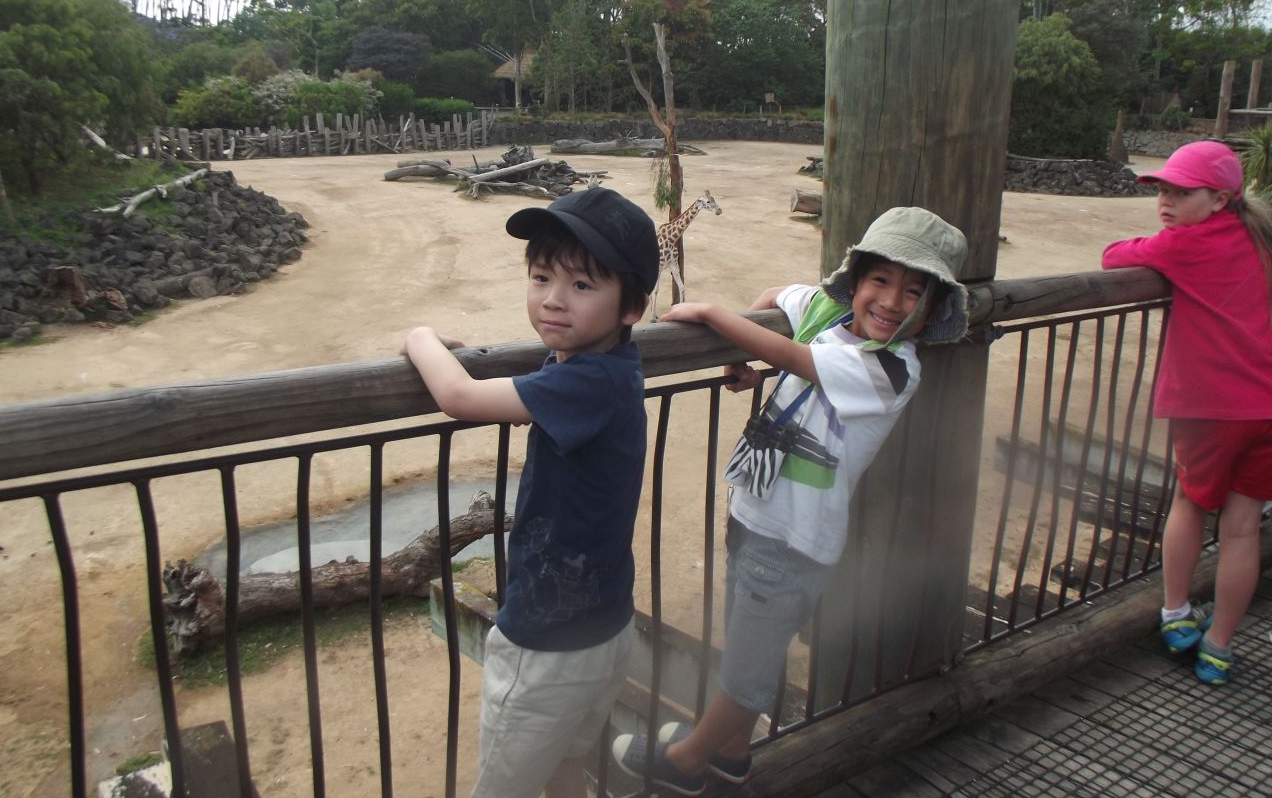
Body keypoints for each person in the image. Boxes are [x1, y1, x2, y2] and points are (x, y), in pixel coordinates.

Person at [612, 206, 970, 796]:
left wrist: (715, 317)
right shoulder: (830, 312)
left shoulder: (893, 369)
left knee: (747, 665)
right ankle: (732, 754)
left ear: (931, 311)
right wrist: (739, 359)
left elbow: (795, 358)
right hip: (756, 514)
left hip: (794, 539)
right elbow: (777, 298)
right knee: (749, 639)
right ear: (856, 281)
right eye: (880, 280)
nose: (891, 301)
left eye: (914, 292)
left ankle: (685, 761)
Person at [402, 187, 660, 798]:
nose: (552, 299)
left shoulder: (587, 382)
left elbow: (458, 398)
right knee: (564, 768)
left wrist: (420, 339)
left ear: (631, 308)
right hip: (603, 625)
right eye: (541, 277)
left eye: (581, 285)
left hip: (547, 644)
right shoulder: (604, 367)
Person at [1102, 140, 1272, 686]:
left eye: (1181, 192)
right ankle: (1218, 649)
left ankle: (1176, 616)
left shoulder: (1186, 245)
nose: (1166, 202)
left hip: (1211, 410)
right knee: (1242, 530)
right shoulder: (1259, 239)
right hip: (1266, 409)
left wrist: (1159, 242)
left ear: (1219, 199)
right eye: (1162, 191)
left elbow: (1114, 257)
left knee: (1190, 505)